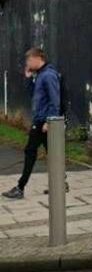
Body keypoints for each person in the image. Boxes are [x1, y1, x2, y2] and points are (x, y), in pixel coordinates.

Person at [2, 48, 61, 200]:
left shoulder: (48, 75)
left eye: (29, 60)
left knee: (30, 152)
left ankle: (20, 188)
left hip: (43, 122)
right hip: (41, 120)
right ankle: (61, 182)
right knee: (52, 152)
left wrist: (50, 121)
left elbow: (55, 100)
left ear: (37, 58)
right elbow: (35, 95)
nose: (27, 64)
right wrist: (28, 79)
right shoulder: (41, 75)